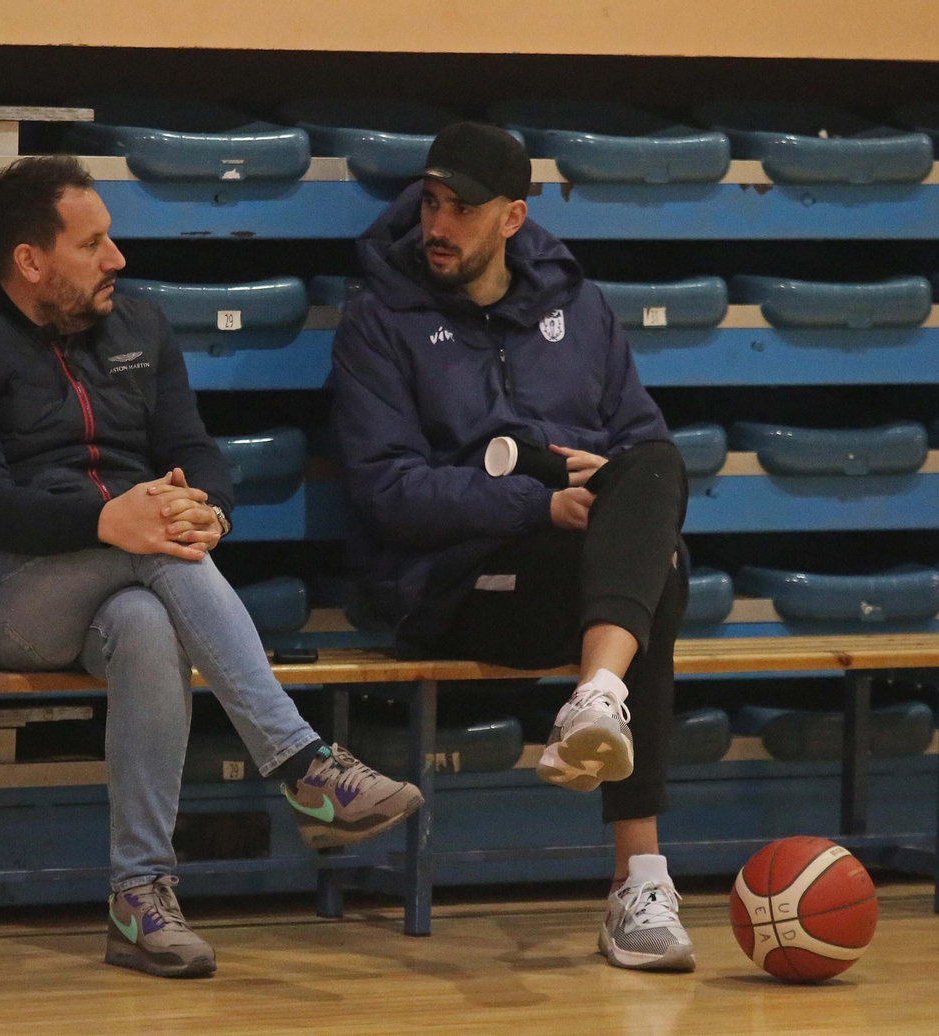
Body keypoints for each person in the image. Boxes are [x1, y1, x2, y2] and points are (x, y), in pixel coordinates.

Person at [0, 155, 422, 979]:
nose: (118, 260)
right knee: (157, 559)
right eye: (94, 243)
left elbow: (194, 453)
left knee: (148, 619)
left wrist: (205, 509)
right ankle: (300, 762)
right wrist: (112, 520)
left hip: (123, 582)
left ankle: (139, 902)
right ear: (31, 261)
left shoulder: (138, 328)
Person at [330, 123, 694, 971]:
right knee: (658, 579)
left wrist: (600, 485)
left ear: (513, 218)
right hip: (455, 588)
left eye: (463, 207)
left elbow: (641, 443)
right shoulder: (380, 321)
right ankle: (636, 879)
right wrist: (537, 504)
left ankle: (596, 696)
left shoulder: (582, 308)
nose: (439, 224)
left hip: (576, 575)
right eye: (431, 203)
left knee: (656, 474)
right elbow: (384, 491)